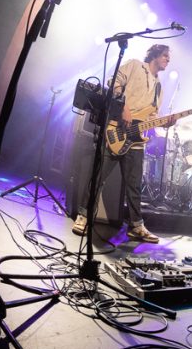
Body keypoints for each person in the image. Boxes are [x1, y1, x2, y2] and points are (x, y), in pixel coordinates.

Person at [73, 44, 173, 243]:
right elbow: (114, 82)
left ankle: (136, 226)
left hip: (136, 140)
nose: (168, 60)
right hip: (116, 129)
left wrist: (164, 122)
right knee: (98, 176)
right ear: (154, 55)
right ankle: (84, 216)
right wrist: (124, 107)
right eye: (165, 55)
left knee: (134, 186)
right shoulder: (135, 65)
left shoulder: (159, 87)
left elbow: (152, 116)